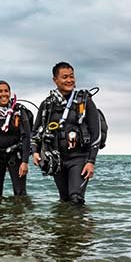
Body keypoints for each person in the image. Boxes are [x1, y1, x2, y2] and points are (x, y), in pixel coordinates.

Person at [32, 62, 101, 205]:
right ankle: (65, 227)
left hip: (79, 159)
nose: (69, 80)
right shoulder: (47, 104)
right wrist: (35, 152)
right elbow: (36, 131)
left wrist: (91, 162)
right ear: (55, 80)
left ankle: (81, 226)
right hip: (57, 159)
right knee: (64, 200)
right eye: (65, 77)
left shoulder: (84, 101)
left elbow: (96, 133)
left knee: (76, 199)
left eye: (72, 76)